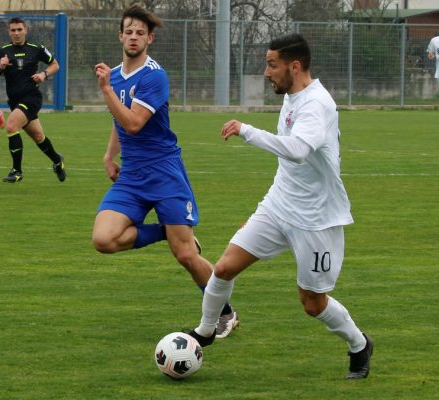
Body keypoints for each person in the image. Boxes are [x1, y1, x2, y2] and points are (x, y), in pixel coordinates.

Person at [185, 33, 374, 379]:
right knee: (224, 267)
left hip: (316, 220)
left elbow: (299, 150)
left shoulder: (317, 104)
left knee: (312, 303)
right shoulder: (291, 95)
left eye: (272, 64)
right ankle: (206, 331)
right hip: (278, 205)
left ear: (295, 66)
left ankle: (359, 343)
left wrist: (247, 131)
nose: (267, 72)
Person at [92, 4, 238, 338]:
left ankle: (225, 313)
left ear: (150, 39)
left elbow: (133, 122)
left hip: (163, 172)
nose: (133, 37)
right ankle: (163, 231)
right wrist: (109, 155)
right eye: (128, 31)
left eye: (140, 33)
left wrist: (105, 91)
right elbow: (119, 121)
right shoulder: (115, 75)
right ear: (120, 35)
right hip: (132, 175)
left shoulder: (153, 76)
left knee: (185, 255)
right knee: (103, 239)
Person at [0, 17, 66, 183]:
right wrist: (0, 68)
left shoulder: (36, 49)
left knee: (11, 125)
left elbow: (55, 65)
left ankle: (17, 171)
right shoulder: (1, 52)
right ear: (9, 32)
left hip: (31, 98)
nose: (16, 33)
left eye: (19, 30)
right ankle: (57, 160)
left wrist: (44, 74)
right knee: (38, 137)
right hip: (15, 101)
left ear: (26, 30)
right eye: (13, 30)